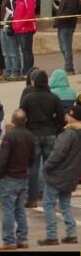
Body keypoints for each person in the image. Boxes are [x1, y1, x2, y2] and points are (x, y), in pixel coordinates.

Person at [20, 69, 64, 207]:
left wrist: (26, 130)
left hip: (33, 134)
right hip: (50, 133)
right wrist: (55, 129)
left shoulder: (28, 98)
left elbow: (21, 117)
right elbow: (61, 118)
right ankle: (50, 198)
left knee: (33, 168)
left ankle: (32, 199)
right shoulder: (53, 97)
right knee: (50, 167)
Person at [39, 103, 81, 245]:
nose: (65, 116)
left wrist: (46, 167)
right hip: (71, 175)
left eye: (68, 114)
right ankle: (71, 233)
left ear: (72, 117)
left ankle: (52, 235)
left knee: (48, 204)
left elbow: (58, 154)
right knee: (65, 205)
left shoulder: (68, 134)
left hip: (57, 174)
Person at [0, 110, 35, 250]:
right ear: (25, 120)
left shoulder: (10, 136)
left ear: (13, 120)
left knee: (8, 210)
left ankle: (8, 240)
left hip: (9, 176)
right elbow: (33, 158)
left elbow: (3, 157)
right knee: (20, 209)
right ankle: (22, 239)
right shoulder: (30, 136)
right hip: (22, 175)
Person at [56, 0, 81, 74]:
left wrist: (60, 19)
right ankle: (68, 65)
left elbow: (70, 10)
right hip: (62, 23)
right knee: (62, 46)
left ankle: (69, 68)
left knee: (66, 47)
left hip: (67, 24)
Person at [14, 0, 38, 75]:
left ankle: (28, 71)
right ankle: (25, 70)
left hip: (26, 29)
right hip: (20, 29)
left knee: (27, 51)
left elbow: (30, 14)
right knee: (24, 51)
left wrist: (20, 24)